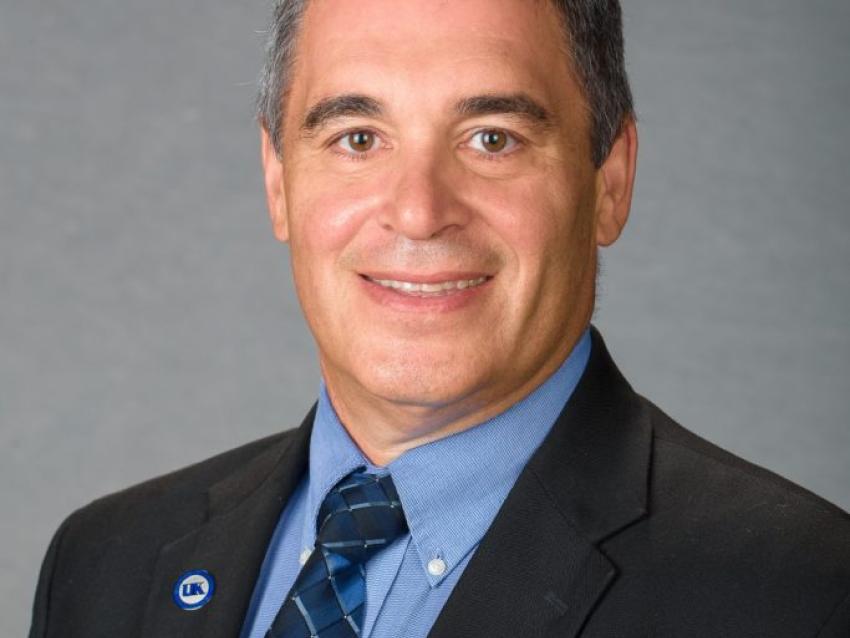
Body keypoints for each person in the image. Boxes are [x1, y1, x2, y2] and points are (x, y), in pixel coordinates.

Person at [29, 0, 849, 636]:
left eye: (492, 139)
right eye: (358, 139)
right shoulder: (104, 567)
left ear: (610, 179)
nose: (419, 212)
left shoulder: (798, 594)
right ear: (278, 180)